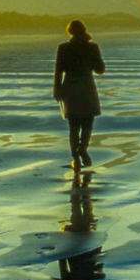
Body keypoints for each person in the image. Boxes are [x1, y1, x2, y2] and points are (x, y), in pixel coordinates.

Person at [53, 20, 105, 169]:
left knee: (73, 125)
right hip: (87, 86)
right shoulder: (92, 47)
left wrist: (57, 89)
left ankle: (75, 158)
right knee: (88, 122)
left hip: (69, 87)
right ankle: (83, 148)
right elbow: (100, 69)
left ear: (70, 31)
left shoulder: (63, 48)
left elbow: (58, 71)